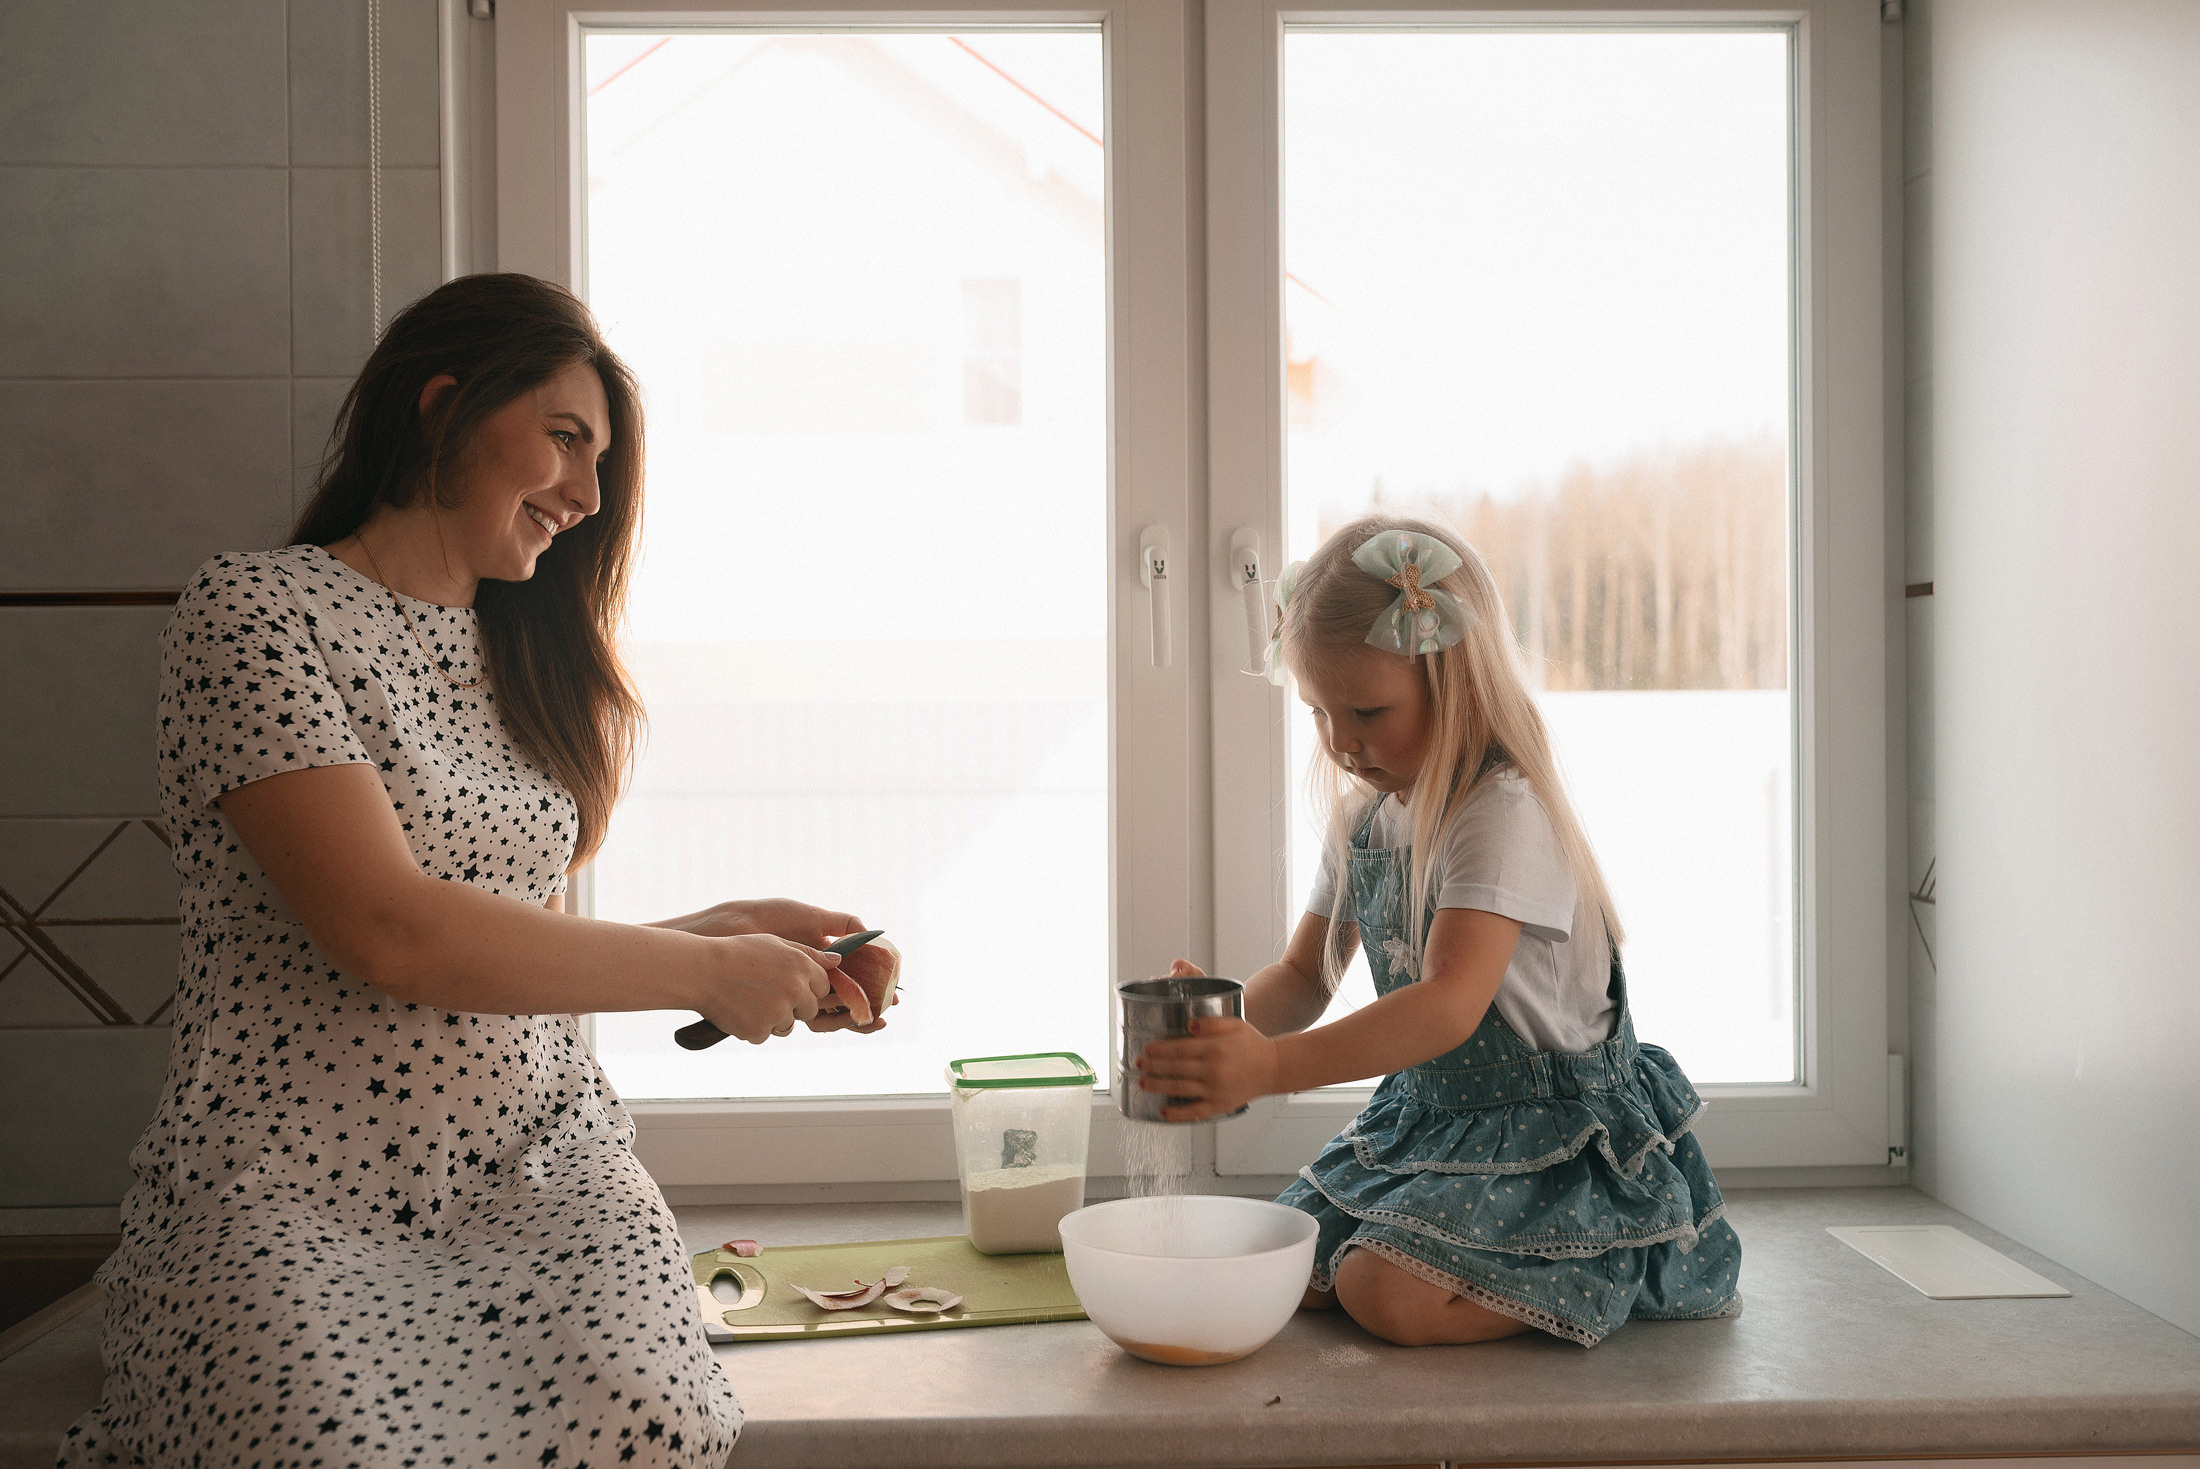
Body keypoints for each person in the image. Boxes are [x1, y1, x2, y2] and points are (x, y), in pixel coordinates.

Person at [61, 274, 895, 1467]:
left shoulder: (522, 659)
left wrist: (732, 934)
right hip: (289, 1191)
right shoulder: (254, 611)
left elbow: (499, 946)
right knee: (329, 1444)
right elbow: (389, 929)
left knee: (642, 1416)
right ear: (441, 405)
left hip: (541, 1179)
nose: (588, 493)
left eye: (600, 460)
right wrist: (702, 968)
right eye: (565, 438)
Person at [1135, 516, 1741, 1349]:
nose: (1341, 742)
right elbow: (1304, 975)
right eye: (1318, 712)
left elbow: (1448, 1006)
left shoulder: (1501, 813)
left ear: (1451, 683)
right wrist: (1223, 1029)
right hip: (1433, 1116)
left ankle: (1610, 1260)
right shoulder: (1366, 818)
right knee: (1296, 1268)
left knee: (1382, 1293)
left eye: (1367, 710)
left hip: (1549, 1135)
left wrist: (1270, 1067)